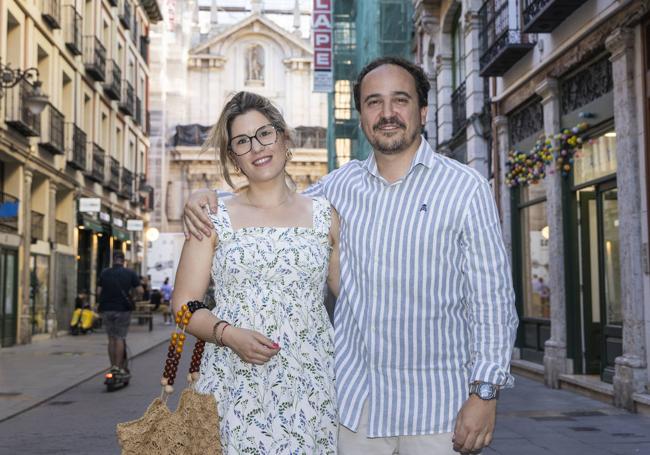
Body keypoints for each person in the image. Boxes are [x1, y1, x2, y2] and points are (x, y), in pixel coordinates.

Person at [183, 57, 518, 455]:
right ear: (361, 115)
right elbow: (273, 207)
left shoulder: (466, 188)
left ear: (422, 110)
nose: (387, 113)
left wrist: (484, 393)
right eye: (374, 102)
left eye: (400, 100)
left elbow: (493, 301)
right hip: (356, 409)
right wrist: (206, 197)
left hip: (438, 410)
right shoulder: (337, 189)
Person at [172, 91, 340, 453]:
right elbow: (183, 306)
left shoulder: (326, 215)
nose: (257, 147)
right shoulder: (212, 216)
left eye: (265, 134)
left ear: (283, 137)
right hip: (233, 382)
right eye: (242, 142)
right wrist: (228, 335)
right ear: (234, 157)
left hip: (311, 383)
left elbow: (354, 295)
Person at [97, 250, 143, 375]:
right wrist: (133, 297)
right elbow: (140, 290)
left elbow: (98, 291)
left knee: (111, 339)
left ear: (113, 260)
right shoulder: (130, 273)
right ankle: (119, 368)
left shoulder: (105, 273)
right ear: (124, 260)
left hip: (107, 309)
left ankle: (113, 367)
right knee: (120, 338)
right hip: (123, 309)